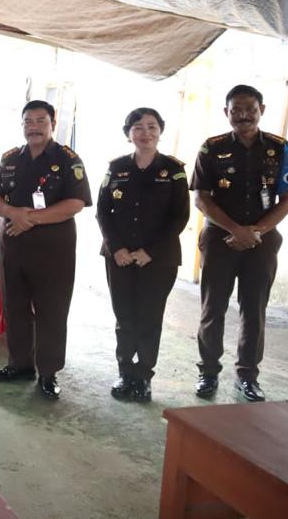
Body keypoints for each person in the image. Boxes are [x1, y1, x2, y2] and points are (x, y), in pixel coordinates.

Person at [191, 84, 288, 402]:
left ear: (261, 110)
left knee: (254, 310)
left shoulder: (283, 149)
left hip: (262, 241)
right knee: (213, 308)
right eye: (235, 110)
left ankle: (247, 377)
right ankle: (208, 373)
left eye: (249, 109)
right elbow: (202, 198)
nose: (243, 115)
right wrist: (236, 229)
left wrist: (255, 231)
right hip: (219, 237)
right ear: (226, 113)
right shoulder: (210, 148)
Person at [0, 100, 91, 400]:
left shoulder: (68, 159)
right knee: (14, 306)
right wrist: (11, 212)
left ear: (52, 124)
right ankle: (19, 365)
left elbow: (75, 203)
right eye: (28, 121)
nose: (34, 126)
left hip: (52, 248)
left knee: (52, 309)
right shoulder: (9, 159)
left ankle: (48, 372)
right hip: (12, 245)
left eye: (40, 121)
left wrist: (29, 218)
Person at [96, 108, 189, 403]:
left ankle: (144, 376)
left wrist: (151, 251)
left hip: (158, 260)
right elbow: (102, 212)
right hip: (119, 257)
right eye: (138, 127)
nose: (145, 132)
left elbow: (179, 217)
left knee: (149, 317)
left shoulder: (173, 169)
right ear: (129, 134)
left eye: (151, 126)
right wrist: (117, 249)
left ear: (160, 131)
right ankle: (125, 373)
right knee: (124, 316)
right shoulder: (116, 168)